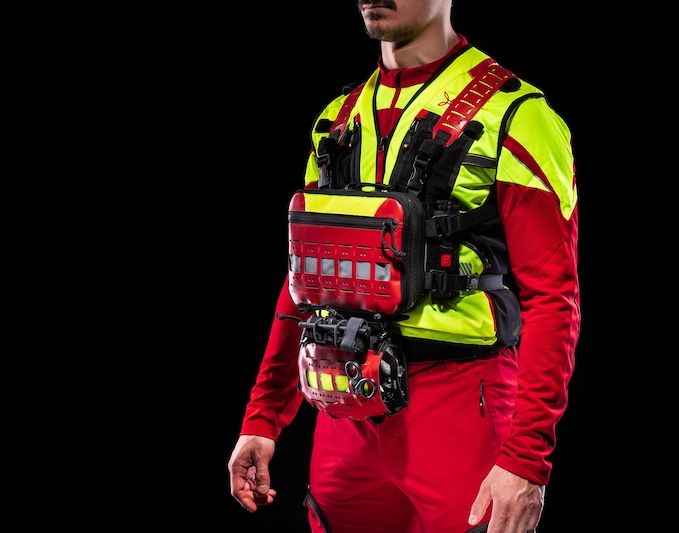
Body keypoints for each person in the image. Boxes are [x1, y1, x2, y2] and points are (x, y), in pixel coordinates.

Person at [228, 1, 580, 532]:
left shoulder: (518, 115)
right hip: (345, 407)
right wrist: (263, 418)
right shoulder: (337, 119)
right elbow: (307, 276)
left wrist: (526, 458)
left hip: (463, 405)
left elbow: (555, 297)